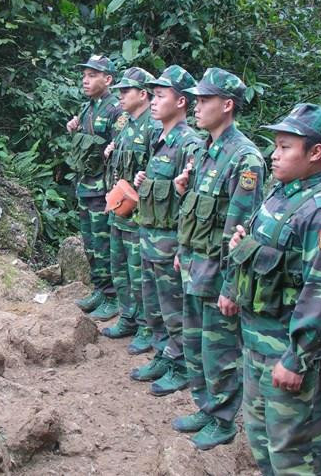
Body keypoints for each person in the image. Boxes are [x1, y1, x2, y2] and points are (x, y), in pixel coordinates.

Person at [225, 104, 321, 475]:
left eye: (284, 147)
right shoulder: (280, 195)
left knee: (295, 453)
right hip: (257, 344)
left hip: (287, 352)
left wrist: (296, 359)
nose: (273, 154)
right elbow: (266, 257)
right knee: (262, 440)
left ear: (315, 153)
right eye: (276, 146)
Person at [171, 67, 265, 450]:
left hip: (218, 276)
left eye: (204, 100)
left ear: (227, 105)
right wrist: (182, 251)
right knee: (194, 344)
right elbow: (195, 211)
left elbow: (240, 233)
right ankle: (206, 406)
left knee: (220, 351)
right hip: (195, 266)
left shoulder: (246, 160)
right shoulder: (205, 150)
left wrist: (231, 287)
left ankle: (224, 419)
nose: (196, 106)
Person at [131, 65, 201, 395]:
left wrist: (184, 247)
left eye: (161, 96)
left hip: (170, 243)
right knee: (155, 306)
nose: (154, 102)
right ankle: (163, 353)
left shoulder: (189, 143)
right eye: (153, 95)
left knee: (176, 311)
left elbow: (194, 201)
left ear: (182, 102)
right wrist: (145, 182)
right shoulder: (160, 138)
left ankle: (181, 364)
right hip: (150, 237)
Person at [100, 67, 160, 356]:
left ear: (143, 94)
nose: (121, 96)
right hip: (118, 208)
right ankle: (127, 316)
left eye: (126, 91)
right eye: (120, 90)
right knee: (119, 268)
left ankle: (147, 325)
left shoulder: (155, 127)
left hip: (139, 215)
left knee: (140, 275)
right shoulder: (124, 122)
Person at [65, 54, 124, 317]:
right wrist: (73, 129)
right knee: (90, 243)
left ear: (108, 79)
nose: (85, 80)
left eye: (92, 75)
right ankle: (100, 289)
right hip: (85, 187)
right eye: (84, 76)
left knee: (104, 245)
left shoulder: (116, 109)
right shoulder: (88, 108)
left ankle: (113, 298)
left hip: (103, 190)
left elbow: (119, 151)